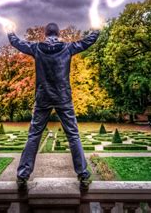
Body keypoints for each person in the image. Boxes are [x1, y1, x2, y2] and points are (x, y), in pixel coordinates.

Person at [5, 22, 100, 191]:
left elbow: (16, 42)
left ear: (45, 34)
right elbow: (88, 41)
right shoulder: (68, 48)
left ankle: (22, 175)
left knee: (34, 136)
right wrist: (96, 30)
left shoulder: (36, 48)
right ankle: (83, 174)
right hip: (63, 97)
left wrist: (10, 32)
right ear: (58, 33)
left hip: (43, 97)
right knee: (73, 135)